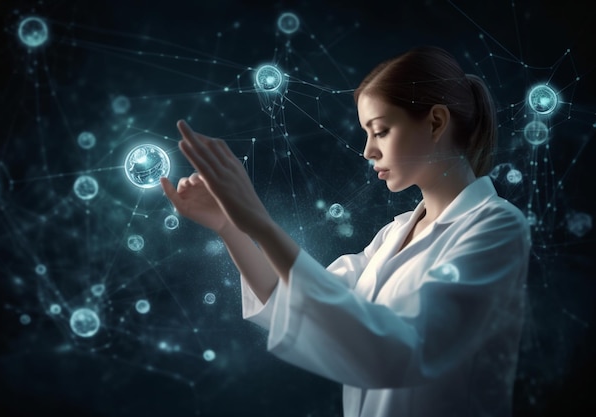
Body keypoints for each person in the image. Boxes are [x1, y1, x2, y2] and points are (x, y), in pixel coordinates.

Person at [160, 46, 531, 417]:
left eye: (381, 131)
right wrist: (231, 227)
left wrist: (258, 220)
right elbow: (297, 301)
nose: (368, 150)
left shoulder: (496, 227)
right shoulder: (394, 235)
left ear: (435, 122)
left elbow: (399, 354)